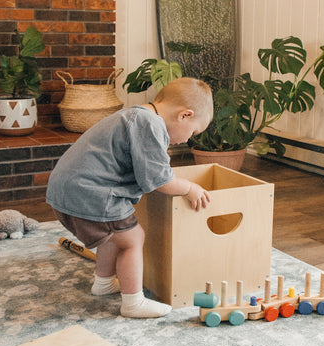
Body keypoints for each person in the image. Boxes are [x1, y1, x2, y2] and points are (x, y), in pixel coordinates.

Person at [46, 77, 213, 318]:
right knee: (133, 239)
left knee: (113, 238)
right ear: (184, 115)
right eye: (193, 131)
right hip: (91, 192)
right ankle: (133, 302)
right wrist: (189, 188)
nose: (188, 139)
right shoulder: (150, 124)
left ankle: (103, 283)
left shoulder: (135, 116)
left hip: (68, 190)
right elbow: (160, 180)